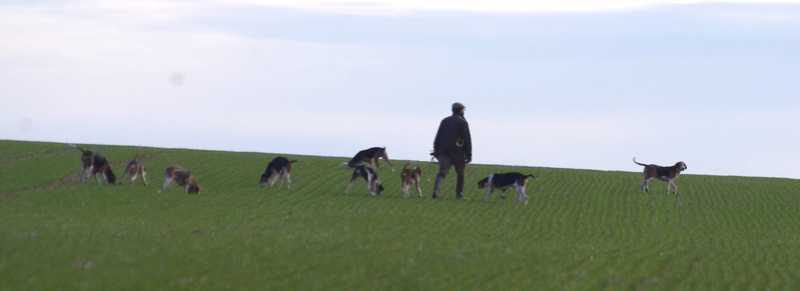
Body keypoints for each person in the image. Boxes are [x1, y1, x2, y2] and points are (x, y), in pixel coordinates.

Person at [431, 102, 472, 199]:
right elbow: (467, 139)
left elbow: (438, 137)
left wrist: (436, 151)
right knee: (461, 173)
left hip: (444, 152)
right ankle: (459, 195)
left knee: (442, 172)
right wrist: (469, 154)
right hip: (458, 153)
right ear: (461, 110)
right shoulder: (463, 122)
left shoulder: (444, 121)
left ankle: (436, 192)